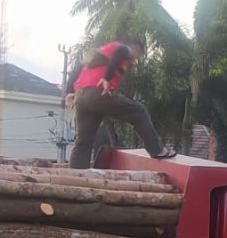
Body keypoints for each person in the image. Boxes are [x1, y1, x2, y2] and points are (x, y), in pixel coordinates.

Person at [63, 38, 175, 168]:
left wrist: (68, 92)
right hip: (98, 94)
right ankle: (157, 150)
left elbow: (78, 67)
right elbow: (118, 55)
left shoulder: (101, 52)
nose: (136, 60)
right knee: (139, 111)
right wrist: (106, 78)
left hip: (81, 97)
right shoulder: (123, 48)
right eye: (138, 56)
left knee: (83, 141)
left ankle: (77, 176)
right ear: (136, 49)